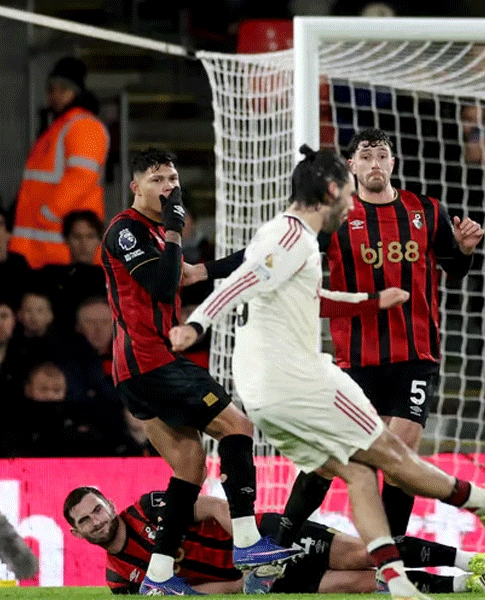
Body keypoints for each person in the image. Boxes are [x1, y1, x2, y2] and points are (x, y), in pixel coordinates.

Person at [168, 145, 485, 600]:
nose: (354, 204)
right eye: (348, 193)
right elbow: (245, 278)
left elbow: (309, 297)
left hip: (269, 386)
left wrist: (371, 302)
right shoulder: (297, 236)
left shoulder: (292, 230)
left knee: (359, 473)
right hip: (306, 377)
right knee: (390, 454)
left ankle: (389, 580)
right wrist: (197, 321)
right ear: (336, 187)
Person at [101, 149, 300, 594]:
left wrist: (265, 256)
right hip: (151, 362)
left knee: (190, 468)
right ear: (136, 187)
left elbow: (192, 274)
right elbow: (161, 283)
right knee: (238, 426)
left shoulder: (157, 236)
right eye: (157, 179)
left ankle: (157, 578)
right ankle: (247, 541)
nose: (169, 186)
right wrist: (174, 229)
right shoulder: (126, 230)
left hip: (139, 370)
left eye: (173, 177)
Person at [296, 127, 482, 546]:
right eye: (366, 156)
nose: (375, 164)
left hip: (415, 352)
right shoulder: (337, 215)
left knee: (402, 450)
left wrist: (465, 251)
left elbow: (453, 267)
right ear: (352, 166)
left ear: (393, 163)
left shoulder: (426, 210)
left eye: (382, 156)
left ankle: (390, 554)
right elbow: (300, 258)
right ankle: (286, 532)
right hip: (356, 356)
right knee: (334, 454)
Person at [63, 486, 485, 595]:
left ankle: (470, 559)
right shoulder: (118, 581)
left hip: (269, 539)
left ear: (108, 503)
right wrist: (242, 582)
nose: (96, 520)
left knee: (361, 555)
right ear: (77, 533)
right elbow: (188, 593)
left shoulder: (147, 507)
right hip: (256, 581)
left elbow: (215, 505)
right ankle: (466, 586)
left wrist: (248, 551)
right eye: (85, 520)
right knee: (356, 584)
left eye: (97, 509)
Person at [10, 57, 109, 269]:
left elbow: (82, 177)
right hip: (42, 248)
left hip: (61, 250)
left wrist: (49, 213)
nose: (55, 95)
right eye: (51, 89)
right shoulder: (59, 127)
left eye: (63, 89)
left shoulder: (83, 125)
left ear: (77, 92)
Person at [39, 209, 107, 333]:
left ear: (99, 241)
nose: (83, 244)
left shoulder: (110, 278)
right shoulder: (49, 276)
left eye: (90, 236)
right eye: (77, 237)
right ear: (66, 239)